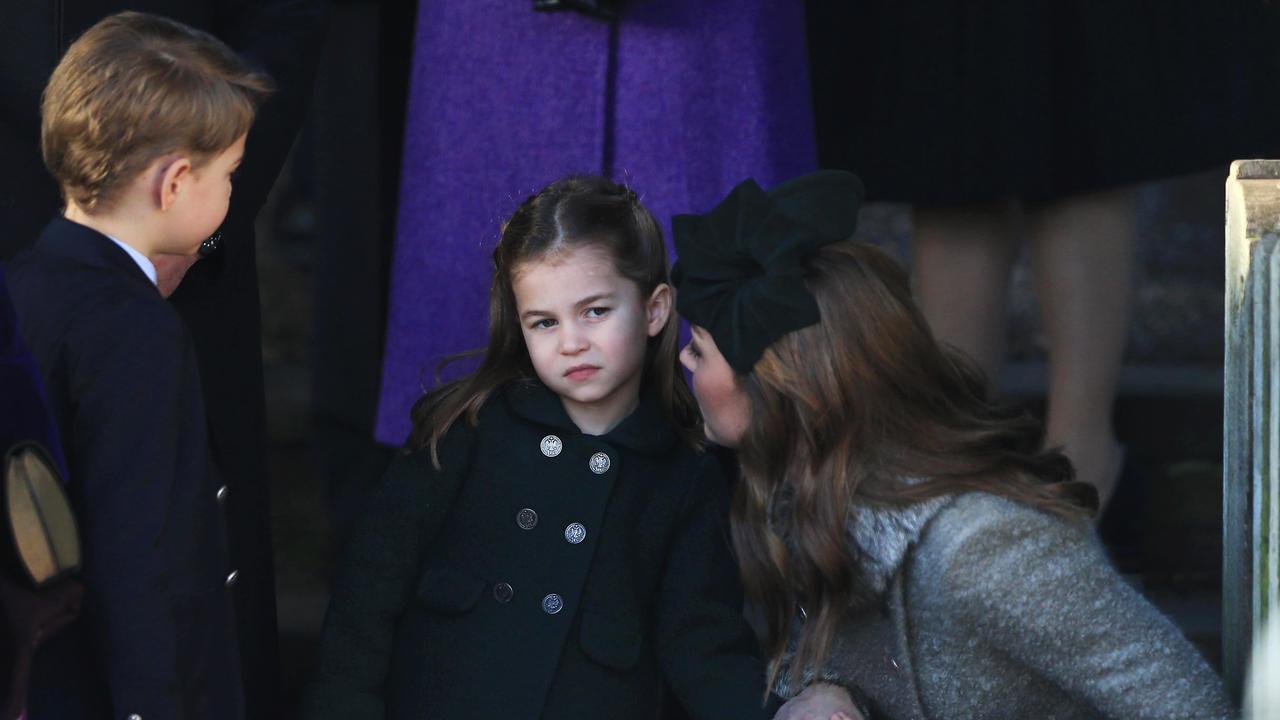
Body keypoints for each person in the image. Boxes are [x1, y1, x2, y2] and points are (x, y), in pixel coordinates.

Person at [670, 170, 1235, 720]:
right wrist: (818, 691)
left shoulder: (983, 548)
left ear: (781, 388)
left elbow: (1189, 703)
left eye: (700, 350)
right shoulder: (797, 492)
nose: (683, 362)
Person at [305, 176, 856, 719]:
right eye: (544, 322)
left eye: (595, 311)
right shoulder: (468, 428)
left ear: (655, 310)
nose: (571, 342)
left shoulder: (685, 474)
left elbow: (702, 642)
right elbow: (368, 592)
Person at [3, 12, 272, 717]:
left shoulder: (23, 284)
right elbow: (139, 558)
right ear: (176, 181)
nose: (232, 191)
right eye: (231, 173)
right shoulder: (137, 333)